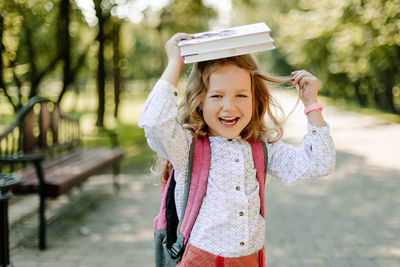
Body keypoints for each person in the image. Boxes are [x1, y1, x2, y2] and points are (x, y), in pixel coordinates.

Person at [139, 32, 335, 266]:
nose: (229, 107)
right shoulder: (187, 148)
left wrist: (312, 105)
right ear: (200, 101)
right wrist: (175, 63)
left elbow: (318, 164)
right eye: (217, 95)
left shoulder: (260, 148)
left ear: (255, 100)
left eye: (241, 95)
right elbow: (154, 122)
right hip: (201, 260)